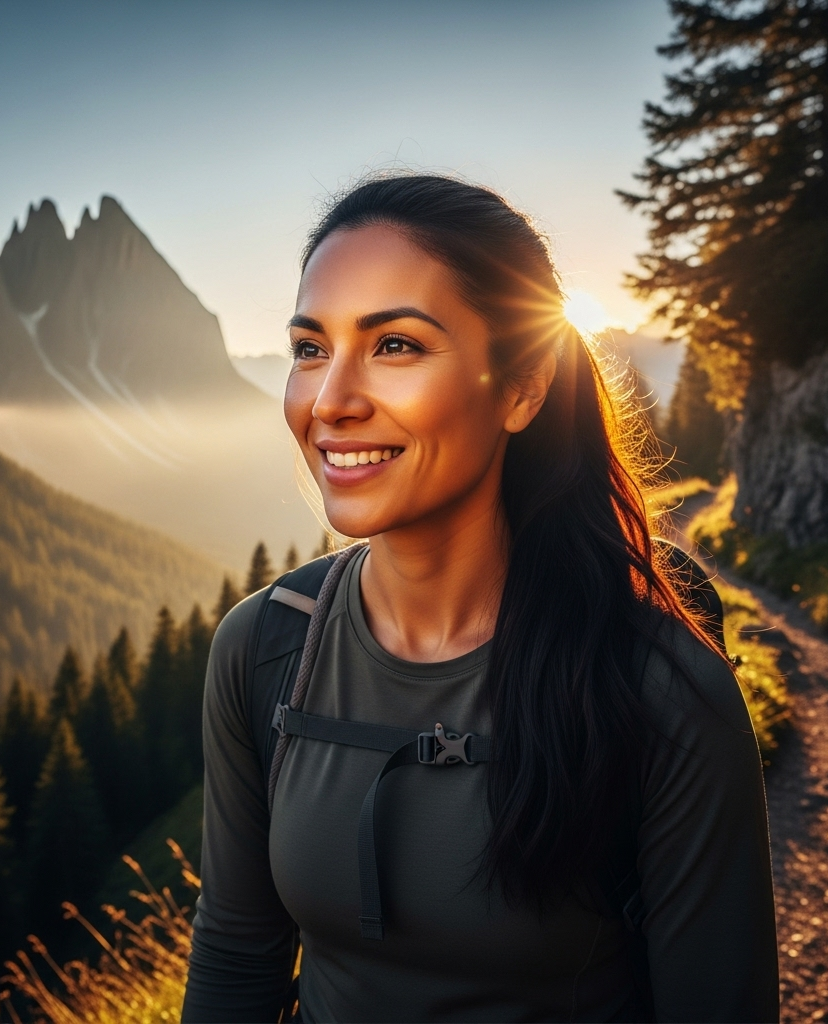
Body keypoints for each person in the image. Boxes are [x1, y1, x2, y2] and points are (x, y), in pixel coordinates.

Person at [181, 175, 778, 1023]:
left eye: (395, 346)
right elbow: (237, 962)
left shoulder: (664, 690)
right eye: (311, 348)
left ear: (522, 388)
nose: (331, 401)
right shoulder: (265, 649)